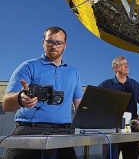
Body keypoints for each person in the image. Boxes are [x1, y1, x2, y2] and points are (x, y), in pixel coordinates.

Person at [2, 26, 83, 159]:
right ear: (43, 43)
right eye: (50, 41)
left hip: (63, 134)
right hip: (29, 131)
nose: (54, 46)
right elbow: (6, 103)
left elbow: (79, 105)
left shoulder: (74, 73)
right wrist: (20, 98)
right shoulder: (28, 67)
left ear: (65, 45)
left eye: (58, 43)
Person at [98, 56, 139, 159]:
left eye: (127, 64)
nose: (126, 66)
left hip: (131, 131)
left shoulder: (134, 84)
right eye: (123, 64)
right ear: (115, 68)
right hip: (111, 133)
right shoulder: (106, 85)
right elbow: (95, 101)